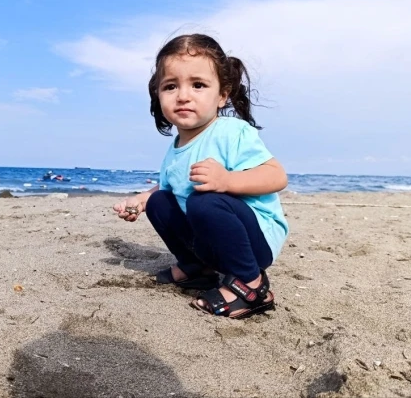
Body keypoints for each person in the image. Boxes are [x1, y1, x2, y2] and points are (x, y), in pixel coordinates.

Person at [112, 34, 289, 319]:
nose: (183, 95)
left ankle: (252, 284)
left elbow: (277, 176)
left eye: (198, 85)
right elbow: (172, 185)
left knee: (203, 201)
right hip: (212, 240)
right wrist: (143, 199)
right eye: (171, 86)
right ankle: (198, 268)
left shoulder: (231, 132)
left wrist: (228, 181)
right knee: (160, 200)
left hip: (254, 240)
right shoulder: (175, 149)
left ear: (222, 95)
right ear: (158, 95)